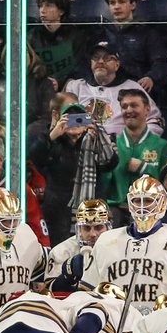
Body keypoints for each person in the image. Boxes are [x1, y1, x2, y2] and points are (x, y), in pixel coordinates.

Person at [79, 175, 167, 313]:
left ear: (162, 203)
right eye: (137, 200)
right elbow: (86, 296)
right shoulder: (105, 241)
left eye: (149, 200)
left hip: (163, 328)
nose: (143, 206)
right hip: (115, 328)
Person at [30, 98, 118, 243]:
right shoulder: (53, 141)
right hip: (57, 210)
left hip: (91, 209)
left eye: (80, 119)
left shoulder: (94, 141)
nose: (75, 123)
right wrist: (52, 136)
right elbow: (35, 159)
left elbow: (110, 163)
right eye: (70, 119)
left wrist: (100, 136)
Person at [63, 42, 163, 137]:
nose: (101, 61)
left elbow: (154, 121)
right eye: (96, 58)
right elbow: (62, 120)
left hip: (122, 149)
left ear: (117, 65)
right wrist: (88, 124)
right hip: (82, 148)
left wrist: (134, 145)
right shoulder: (75, 87)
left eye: (107, 58)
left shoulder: (133, 89)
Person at [104, 89, 167, 217]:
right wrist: (107, 164)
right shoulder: (112, 146)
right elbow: (102, 185)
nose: (129, 110)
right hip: (116, 212)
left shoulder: (163, 146)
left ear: (147, 110)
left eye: (134, 105)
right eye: (124, 107)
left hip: (151, 211)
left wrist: (144, 168)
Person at [96, 0, 167, 95]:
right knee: (97, 112)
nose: (116, 6)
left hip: (134, 93)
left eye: (122, 2)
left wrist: (151, 77)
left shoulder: (147, 32)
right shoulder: (101, 32)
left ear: (133, 5)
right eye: (112, 3)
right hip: (104, 92)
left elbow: (162, 63)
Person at [45, 198, 112, 291]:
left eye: (98, 227)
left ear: (108, 227)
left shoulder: (120, 248)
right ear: (79, 229)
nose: (92, 234)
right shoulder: (61, 251)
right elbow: (49, 290)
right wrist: (66, 277)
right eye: (86, 228)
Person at [27, 0, 85, 87]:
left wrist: (60, 82)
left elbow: (80, 68)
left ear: (61, 11)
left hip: (68, 87)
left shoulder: (76, 36)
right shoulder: (31, 36)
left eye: (48, 5)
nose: (42, 10)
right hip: (39, 87)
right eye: (41, 6)